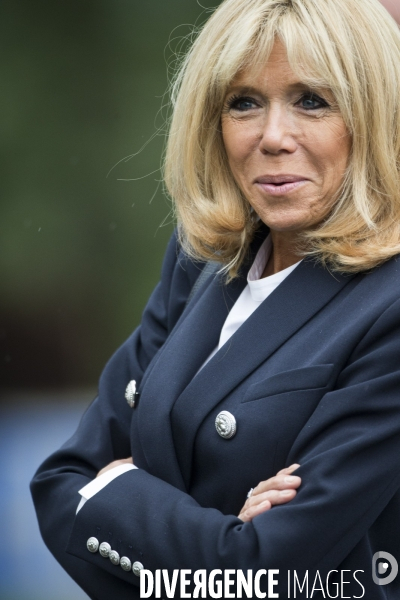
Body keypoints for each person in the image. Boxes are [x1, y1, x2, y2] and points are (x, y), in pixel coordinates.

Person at [31, 0, 400, 598]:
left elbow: (269, 573)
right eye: (244, 102)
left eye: (313, 100)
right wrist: (223, 532)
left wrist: (118, 492)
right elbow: (58, 480)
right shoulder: (200, 263)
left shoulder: (390, 301)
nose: (272, 137)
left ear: (377, 115)